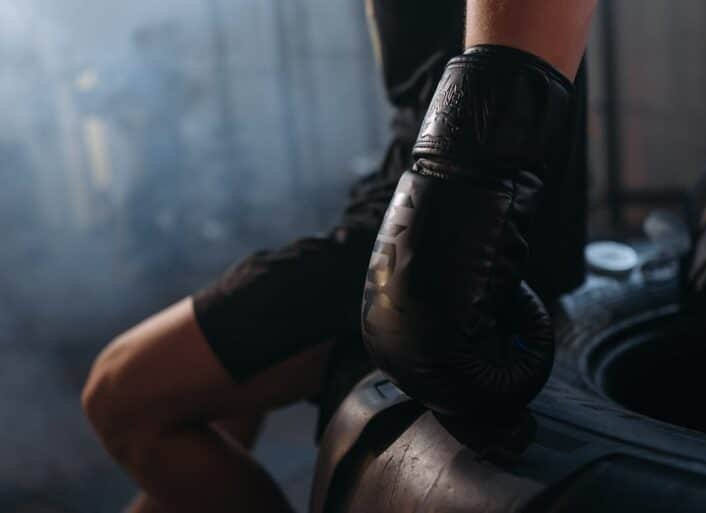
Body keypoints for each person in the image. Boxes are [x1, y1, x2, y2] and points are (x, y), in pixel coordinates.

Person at [81, 1, 595, 511]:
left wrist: (454, 257)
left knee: (120, 395)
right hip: (402, 207)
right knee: (204, 404)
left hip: (447, 231)